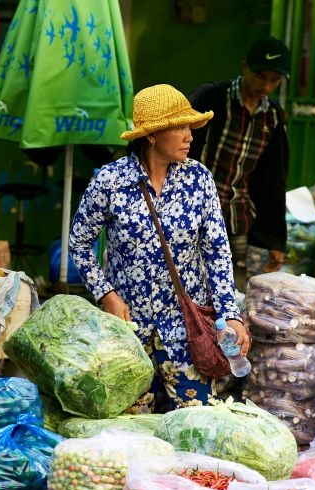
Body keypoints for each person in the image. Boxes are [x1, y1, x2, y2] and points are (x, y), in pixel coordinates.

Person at [69, 84, 251, 411]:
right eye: (180, 127)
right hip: (128, 334)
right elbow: (80, 244)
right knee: (131, 429)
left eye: (190, 127)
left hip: (187, 331)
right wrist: (106, 294)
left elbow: (218, 254)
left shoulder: (199, 180)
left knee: (195, 425)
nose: (189, 136)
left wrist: (230, 315)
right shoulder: (111, 181)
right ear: (151, 135)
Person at [188, 36, 291, 291]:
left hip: (237, 215)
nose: (266, 86)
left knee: (231, 286)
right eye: (260, 76)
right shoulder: (211, 98)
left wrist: (276, 240)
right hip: (195, 209)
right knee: (188, 278)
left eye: (275, 80)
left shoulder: (273, 116)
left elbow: (274, 178)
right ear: (245, 67)